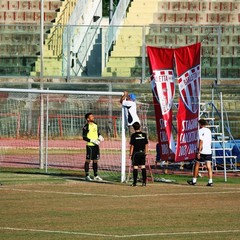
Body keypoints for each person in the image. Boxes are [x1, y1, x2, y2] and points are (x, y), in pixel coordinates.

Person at [187, 119, 213, 186]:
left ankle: (194, 180)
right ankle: (210, 181)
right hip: (208, 150)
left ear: (200, 124)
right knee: (209, 166)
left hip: (202, 150)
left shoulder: (200, 131)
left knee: (197, 164)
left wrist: (199, 151)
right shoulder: (209, 130)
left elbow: (201, 141)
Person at [82, 112, 104, 181]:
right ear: (88, 119)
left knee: (95, 161)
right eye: (91, 116)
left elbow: (97, 133)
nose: (93, 117)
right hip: (90, 146)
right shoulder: (86, 127)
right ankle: (87, 175)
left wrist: (100, 136)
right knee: (88, 160)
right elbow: (84, 137)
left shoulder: (95, 125)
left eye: (93, 116)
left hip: (96, 146)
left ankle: (96, 175)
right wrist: (92, 140)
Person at [129, 122, 149, 186]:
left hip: (136, 153)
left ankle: (135, 183)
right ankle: (144, 182)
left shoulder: (133, 135)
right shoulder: (144, 135)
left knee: (135, 167)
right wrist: (146, 152)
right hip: (142, 153)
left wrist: (130, 154)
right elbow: (146, 144)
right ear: (139, 127)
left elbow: (132, 146)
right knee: (143, 166)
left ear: (134, 128)